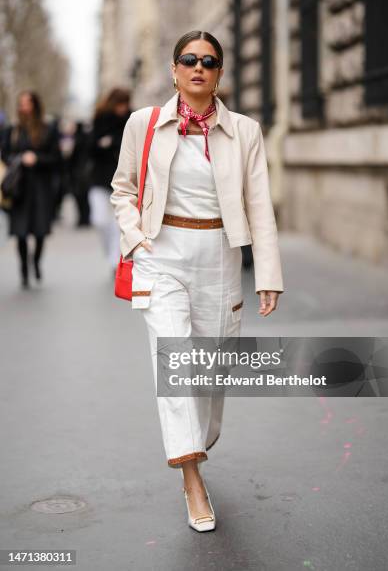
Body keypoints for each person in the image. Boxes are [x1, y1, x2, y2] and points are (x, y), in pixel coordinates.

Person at [110, 31, 284, 531]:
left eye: (209, 61)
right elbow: (122, 189)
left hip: (220, 258)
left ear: (220, 73)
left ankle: (198, 440)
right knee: (175, 357)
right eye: (188, 59)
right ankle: (192, 480)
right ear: (173, 69)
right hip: (161, 254)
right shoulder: (144, 124)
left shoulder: (245, 131)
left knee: (208, 371)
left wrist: (267, 273)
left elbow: (260, 208)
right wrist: (134, 235)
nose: (198, 68)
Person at [1, 90, 61, 288]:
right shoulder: (13, 129)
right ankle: (24, 270)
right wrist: (18, 159)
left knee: (40, 231)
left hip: (41, 187)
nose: (23, 107)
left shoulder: (48, 129)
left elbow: (56, 159)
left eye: (27, 103)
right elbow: (5, 154)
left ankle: (35, 260)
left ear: (35, 105)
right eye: (21, 103)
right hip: (19, 187)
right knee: (20, 231)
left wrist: (37, 159)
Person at [89, 88, 131, 275]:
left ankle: (115, 262)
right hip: (99, 179)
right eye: (121, 104)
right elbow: (90, 146)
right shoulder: (100, 118)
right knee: (99, 220)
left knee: (118, 224)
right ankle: (110, 254)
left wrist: (109, 143)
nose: (123, 108)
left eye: (126, 104)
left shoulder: (132, 119)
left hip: (122, 180)